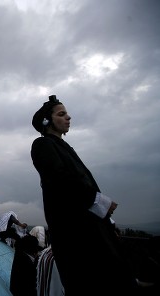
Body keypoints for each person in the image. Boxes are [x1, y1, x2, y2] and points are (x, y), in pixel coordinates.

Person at [30, 95, 138, 295]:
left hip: (89, 225)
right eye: (62, 114)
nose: (68, 118)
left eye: (67, 114)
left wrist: (106, 220)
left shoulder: (63, 147)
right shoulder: (42, 145)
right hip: (74, 230)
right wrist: (101, 202)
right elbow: (61, 180)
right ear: (47, 120)